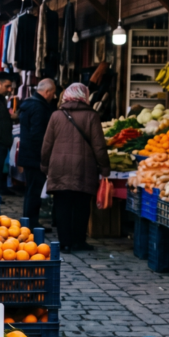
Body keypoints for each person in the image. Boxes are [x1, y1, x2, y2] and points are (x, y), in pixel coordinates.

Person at [41, 83, 111, 253]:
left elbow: (47, 143)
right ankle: (79, 241)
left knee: (62, 206)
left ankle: (64, 243)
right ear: (85, 96)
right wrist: (105, 168)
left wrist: (44, 164)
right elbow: (99, 146)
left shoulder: (56, 115)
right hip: (84, 169)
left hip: (59, 168)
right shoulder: (91, 116)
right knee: (81, 206)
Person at [18, 78, 57, 229]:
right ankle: (31, 224)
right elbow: (38, 136)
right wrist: (44, 158)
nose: (53, 96)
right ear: (47, 92)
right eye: (53, 93)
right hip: (35, 157)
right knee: (34, 192)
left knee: (31, 191)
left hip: (28, 155)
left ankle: (28, 222)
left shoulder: (30, 104)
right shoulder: (39, 107)